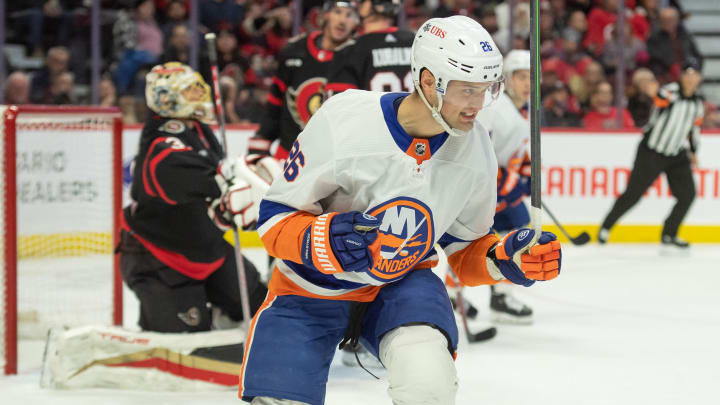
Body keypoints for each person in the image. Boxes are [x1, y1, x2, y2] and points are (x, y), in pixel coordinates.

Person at [239, 16, 562, 405]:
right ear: (428, 81)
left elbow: (464, 251)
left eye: (486, 90)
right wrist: (320, 239)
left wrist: (504, 258)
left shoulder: (476, 149)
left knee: (429, 385)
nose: (478, 105)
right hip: (310, 288)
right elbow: (274, 218)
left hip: (402, 285)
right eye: (466, 90)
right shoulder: (345, 119)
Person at [118, 62, 269, 334]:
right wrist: (222, 187)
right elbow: (179, 171)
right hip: (160, 260)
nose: (200, 98)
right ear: (167, 99)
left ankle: (224, 309)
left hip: (206, 248)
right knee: (189, 341)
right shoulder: (160, 143)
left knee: (262, 305)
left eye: (199, 91)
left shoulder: (199, 129)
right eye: (190, 93)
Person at [597, 58, 704, 248]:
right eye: (687, 74)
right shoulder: (671, 92)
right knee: (633, 194)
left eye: (694, 74)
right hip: (652, 151)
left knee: (688, 194)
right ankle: (606, 227)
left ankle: (669, 233)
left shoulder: (697, 103)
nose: (690, 78)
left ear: (699, 77)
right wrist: (651, 89)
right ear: (681, 76)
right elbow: (660, 97)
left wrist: (694, 151)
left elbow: (693, 129)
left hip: (676, 154)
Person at [248, 1, 358, 159]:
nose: (342, 20)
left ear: (356, 22)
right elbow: (274, 106)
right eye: (338, 12)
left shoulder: (359, 57)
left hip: (333, 159)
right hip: (289, 157)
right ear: (325, 15)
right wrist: (259, 143)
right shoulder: (294, 50)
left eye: (349, 15)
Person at [472, 49, 535, 324]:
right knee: (471, 241)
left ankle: (501, 294)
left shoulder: (524, 108)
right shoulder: (494, 108)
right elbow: (476, 150)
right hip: (484, 187)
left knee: (519, 229)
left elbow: (517, 150)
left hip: (503, 187)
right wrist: (505, 182)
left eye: (531, 77)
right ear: (507, 79)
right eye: (521, 76)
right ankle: (451, 293)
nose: (527, 83)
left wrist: (527, 173)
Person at [325, 0, 414, 95]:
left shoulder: (350, 50)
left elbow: (338, 105)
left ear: (373, 5)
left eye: (362, 2)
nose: (358, 5)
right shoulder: (417, 40)